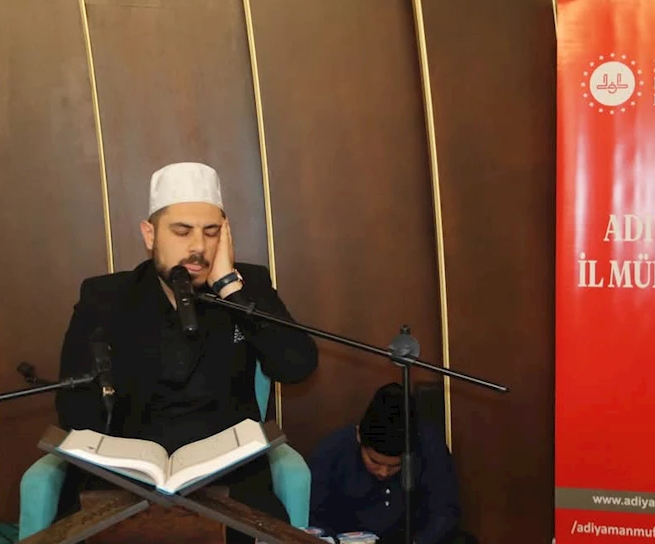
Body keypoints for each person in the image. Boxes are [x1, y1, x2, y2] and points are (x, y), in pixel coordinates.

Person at [54, 162, 318, 543]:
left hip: (230, 485)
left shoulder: (248, 287)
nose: (198, 247)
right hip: (128, 483)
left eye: (211, 232)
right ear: (150, 235)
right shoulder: (105, 297)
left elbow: (297, 365)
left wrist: (230, 288)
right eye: (182, 232)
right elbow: (72, 407)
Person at [309, 383, 474, 544]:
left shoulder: (428, 444)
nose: (384, 472)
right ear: (359, 436)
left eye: (395, 465)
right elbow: (314, 517)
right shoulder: (332, 450)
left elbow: (444, 510)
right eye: (374, 461)